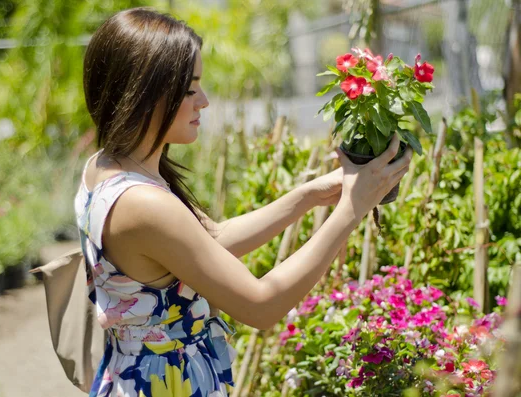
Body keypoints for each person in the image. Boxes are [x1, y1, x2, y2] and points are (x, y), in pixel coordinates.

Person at [75, 7, 412, 397]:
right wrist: (350, 211)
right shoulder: (142, 204)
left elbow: (209, 238)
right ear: (144, 94)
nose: (203, 100)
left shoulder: (107, 167)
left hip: (136, 374)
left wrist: (308, 196)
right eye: (189, 88)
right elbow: (261, 305)